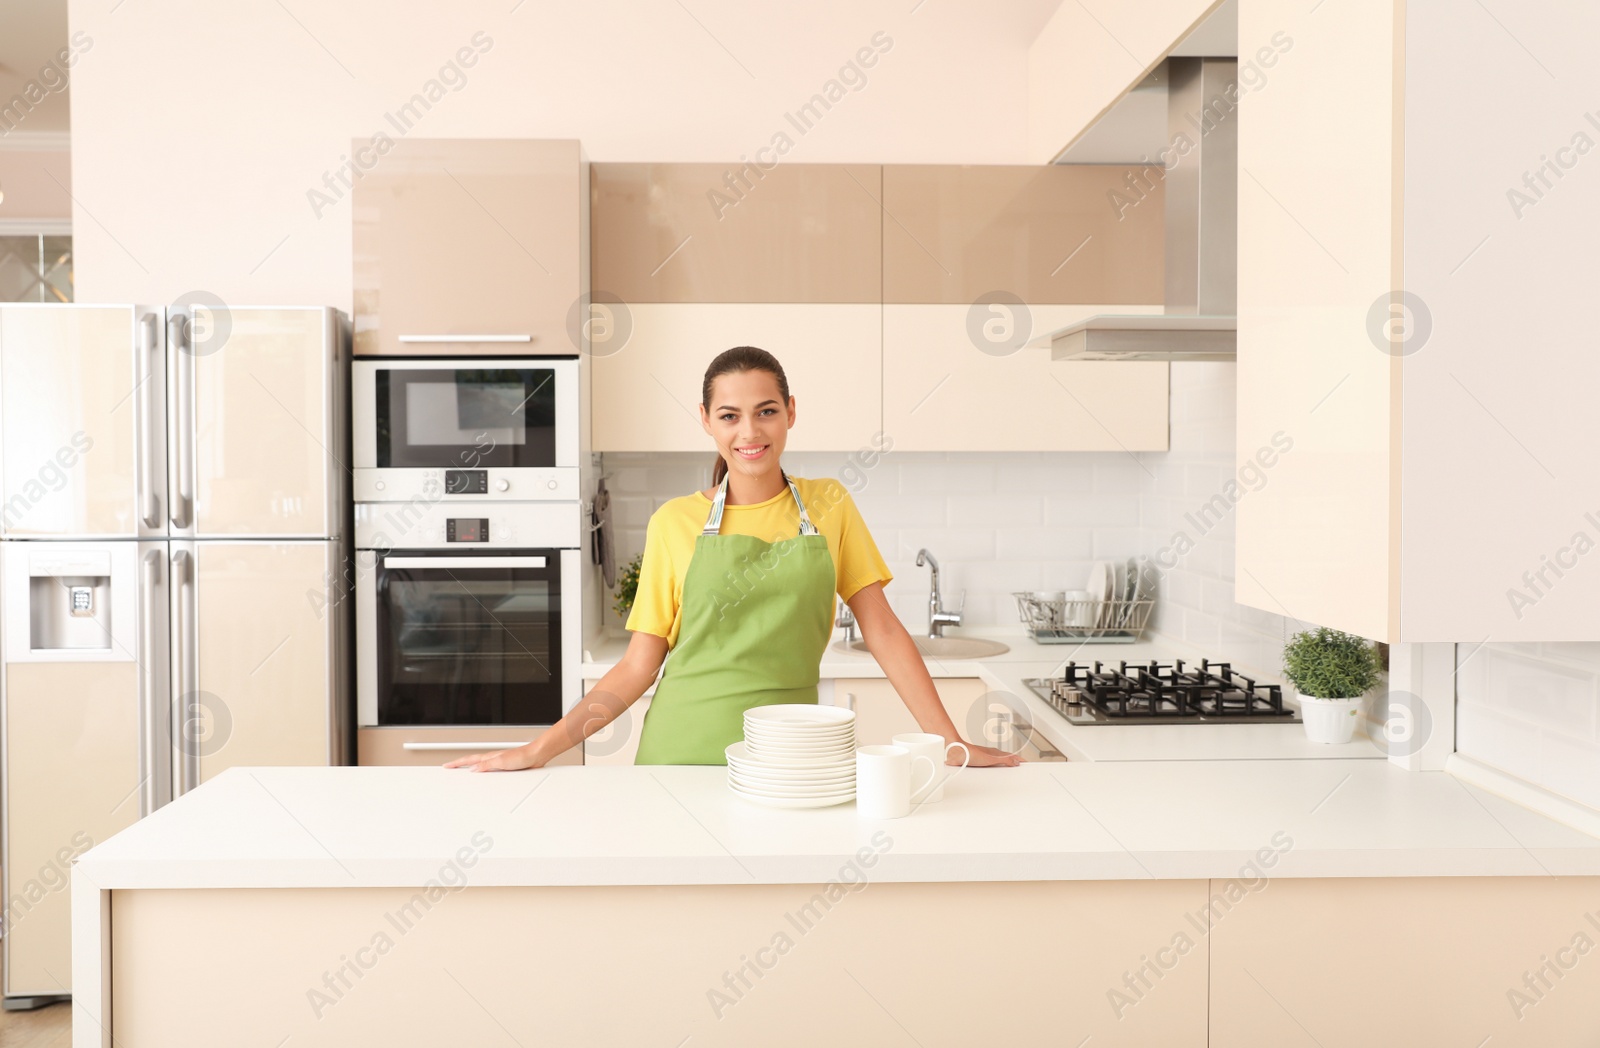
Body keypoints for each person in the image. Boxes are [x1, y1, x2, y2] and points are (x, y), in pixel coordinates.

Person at [445, 346, 1022, 771]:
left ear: (791, 412)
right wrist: (540, 749)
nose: (750, 431)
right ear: (706, 420)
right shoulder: (675, 522)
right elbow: (637, 666)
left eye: (766, 411)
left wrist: (951, 743)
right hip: (683, 755)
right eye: (730, 416)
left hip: (793, 757)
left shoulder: (829, 504)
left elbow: (886, 633)